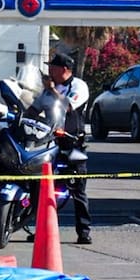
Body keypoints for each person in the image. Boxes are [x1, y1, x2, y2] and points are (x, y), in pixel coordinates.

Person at [44, 51, 93, 244]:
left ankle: (84, 231)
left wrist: (52, 90)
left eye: (53, 67)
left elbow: (69, 106)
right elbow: (35, 107)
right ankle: (42, 228)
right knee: (43, 187)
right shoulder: (51, 87)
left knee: (77, 190)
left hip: (73, 143)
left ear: (64, 69)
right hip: (49, 142)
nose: (49, 71)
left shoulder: (78, 86)